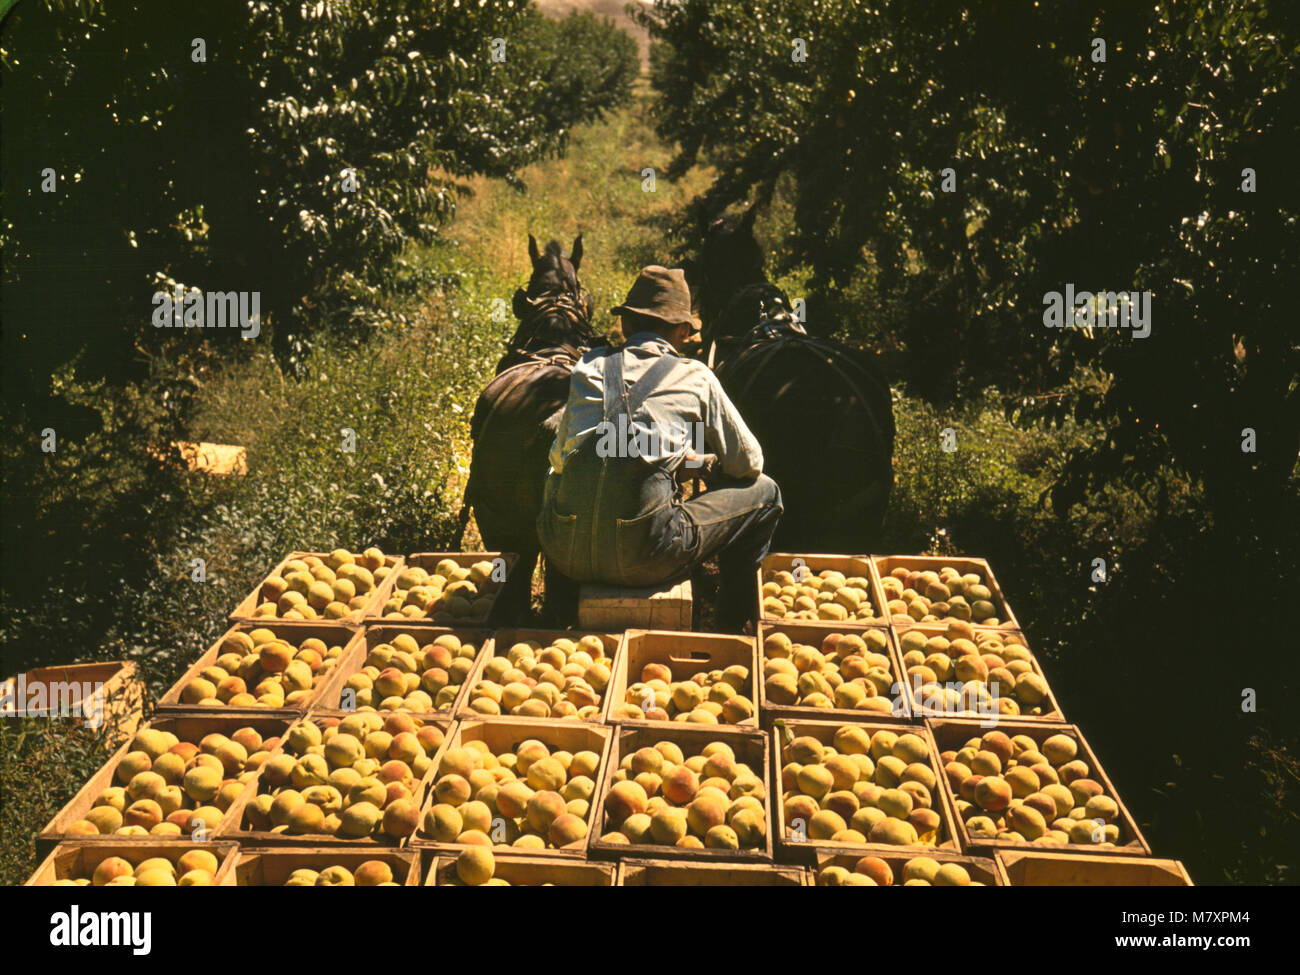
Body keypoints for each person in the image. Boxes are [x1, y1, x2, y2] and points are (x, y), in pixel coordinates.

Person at [537, 265, 783, 632]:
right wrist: (694, 462)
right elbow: (748, 463)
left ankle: (556, 613)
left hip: (566, 553)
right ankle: (729, 626)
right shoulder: (696, 376)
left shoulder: (587, 368)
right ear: (683, 331)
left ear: (625, 325)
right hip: (646, 559)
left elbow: (560, 459)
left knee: (554, 477)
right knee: (765, 491)